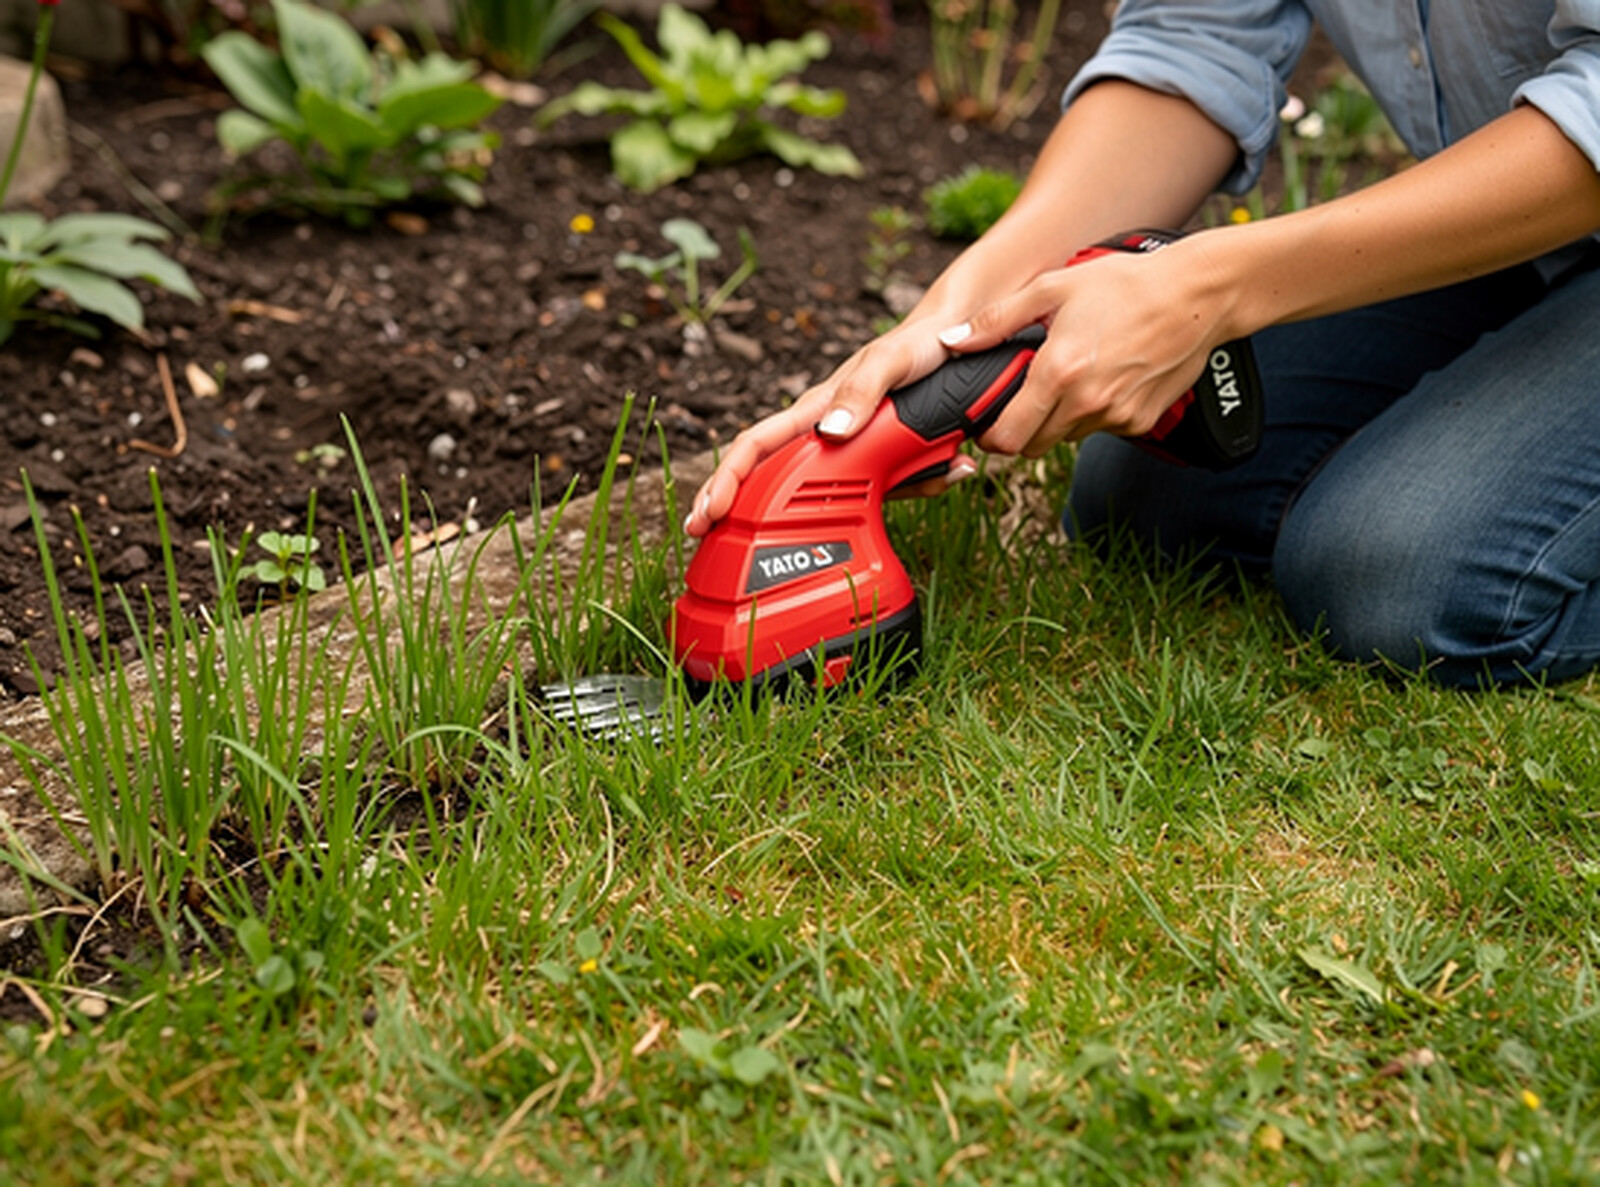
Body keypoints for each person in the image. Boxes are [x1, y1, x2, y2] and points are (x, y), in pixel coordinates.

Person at [681, 0, 1600, 688]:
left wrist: (1213, 285)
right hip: (1532, 232)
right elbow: (1191, 41)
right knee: (1158, 496)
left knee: (1401, 582)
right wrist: (957, 319)